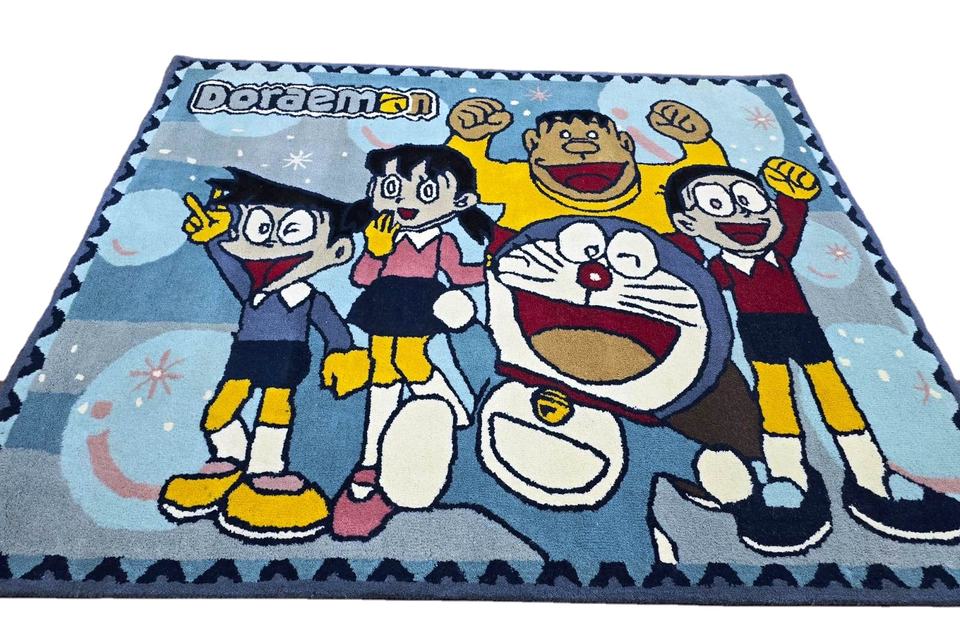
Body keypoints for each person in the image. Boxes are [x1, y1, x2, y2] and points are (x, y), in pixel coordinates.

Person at [666, 157, 960, 543]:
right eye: (716, 204)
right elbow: (694, 274)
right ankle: (789, 478)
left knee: (836, 396)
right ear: (689, 222)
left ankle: (872, 476)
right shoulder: (723, 266)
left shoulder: (780, 251)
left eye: (751, 200)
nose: (742, 214)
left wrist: (793, 195)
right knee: (775, 401)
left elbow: (793, 214)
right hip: (760, 336)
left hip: (807, 332)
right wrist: (677, 246)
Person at [158, 168, 367, 542]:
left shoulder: (308, 297)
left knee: (275, 410)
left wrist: (343, 354)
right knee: (220, 413)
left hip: (286, 358)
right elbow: (227, 263)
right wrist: (213, 239)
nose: (271, 244)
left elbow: (333, 328)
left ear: (337, 251)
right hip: (245, 355)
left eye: (293, 230)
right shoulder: (251, 289)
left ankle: (267, 472)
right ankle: (229, 460)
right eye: (260, 227)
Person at [323, 144, 493, 539]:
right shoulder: (387, 236)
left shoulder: (442, 241)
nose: (406, 201)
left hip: (420, 306)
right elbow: (362, 277)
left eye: (427, 191)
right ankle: (371, 455)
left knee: (411, 361)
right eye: (392, 188)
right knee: (382, 370)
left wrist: (490, 267)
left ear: (461, 201)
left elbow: (459, 274)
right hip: (382, 303)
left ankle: (452, 408)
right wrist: (375, 250)